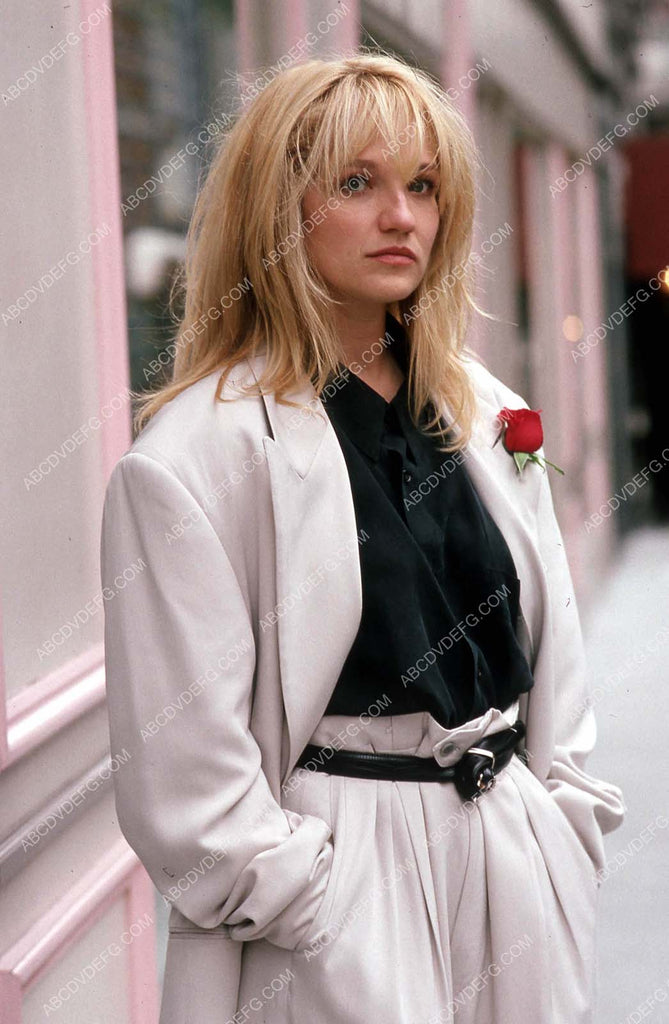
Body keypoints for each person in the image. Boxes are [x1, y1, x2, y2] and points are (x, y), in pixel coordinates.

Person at [100, 52, 626, 1024]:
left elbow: (556, 661)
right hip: (340, 890)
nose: (401, 217)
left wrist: (563, 826)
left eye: (422, 185)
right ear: (277, 208)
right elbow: (184, 772)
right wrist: (316, 906)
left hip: (511, 859)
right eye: (356, 183)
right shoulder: (195, 457)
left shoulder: (484, 411)